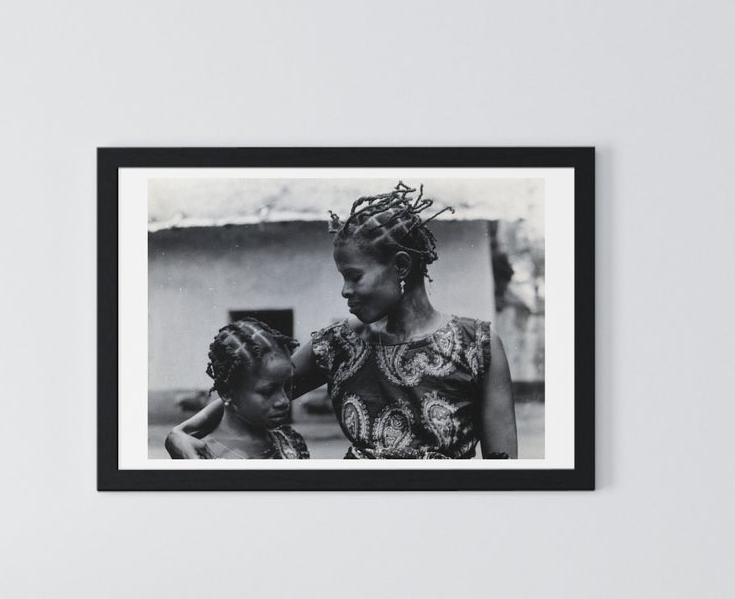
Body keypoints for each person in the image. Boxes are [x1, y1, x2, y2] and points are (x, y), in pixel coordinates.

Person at [167, 183, 517, 460]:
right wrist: (180, 434)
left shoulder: (478, 348)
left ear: (400, 267)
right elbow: (251, 388)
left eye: (354, 276)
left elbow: (503, 474)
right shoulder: (338, 345)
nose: (345, 291)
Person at [169, 317, 310, 460]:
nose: (284, 400)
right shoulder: (199, 455)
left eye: (287, 385)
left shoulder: (291, 440)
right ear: (226, 393)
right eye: (267, 391)